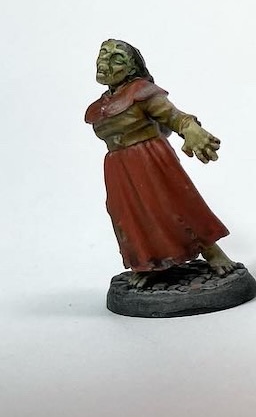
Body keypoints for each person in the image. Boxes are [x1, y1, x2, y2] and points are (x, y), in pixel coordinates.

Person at [85, 39, 237, 284]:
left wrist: (191, 129)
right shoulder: (103, 103)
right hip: (117, 165)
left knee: (174, 204)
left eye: (116, 59)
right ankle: (149, 263)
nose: (105, 62)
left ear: (131, 69)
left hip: (149, 159)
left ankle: (212, 252)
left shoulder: (142, 92)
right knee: (126, 215)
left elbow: (173, 116)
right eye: (103, 54)